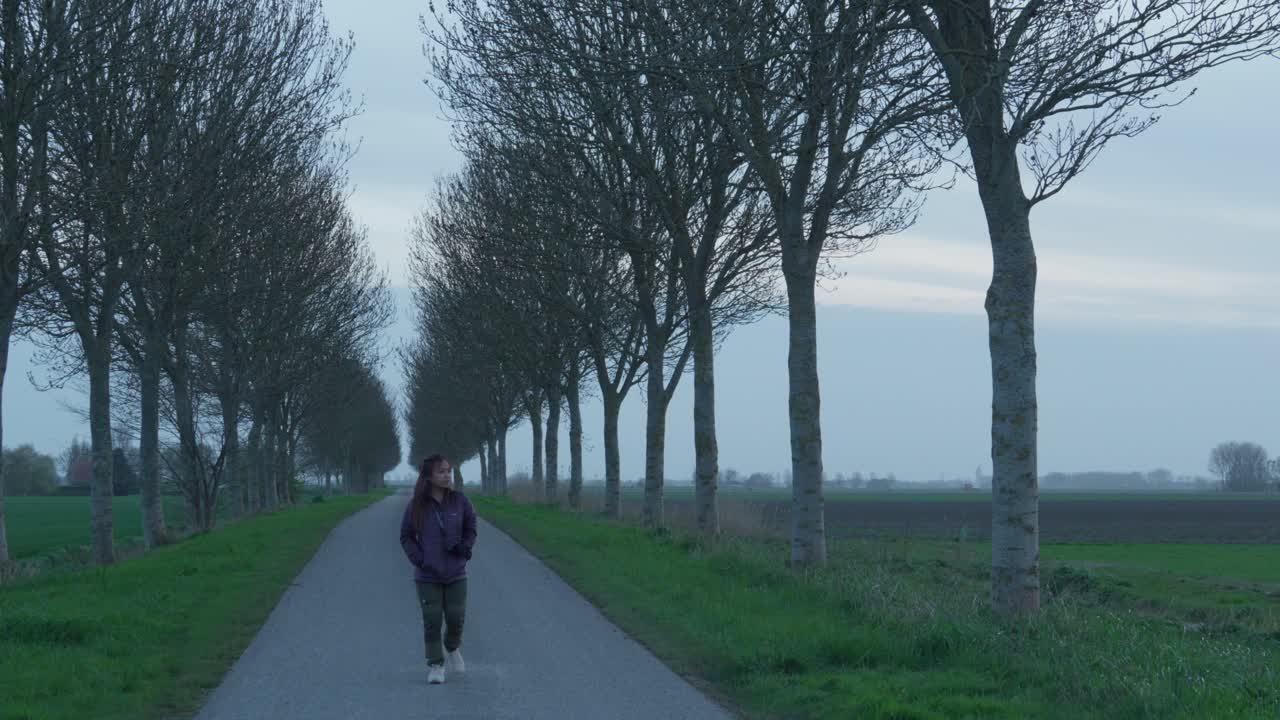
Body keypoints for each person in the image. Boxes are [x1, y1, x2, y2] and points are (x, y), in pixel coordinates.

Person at [399, 454, 477, 685]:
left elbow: (471, 528)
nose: (447, 475)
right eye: (441, 471)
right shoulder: (416, 506)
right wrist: (419, 559)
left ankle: (452, 647)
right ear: (429, 477)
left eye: (448, 471)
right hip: (427, 574)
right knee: (432, 619)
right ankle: (436, 665)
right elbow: (406, 536)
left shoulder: (460, 501)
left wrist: (465, 546)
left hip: (456, 573)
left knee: (455, 618)